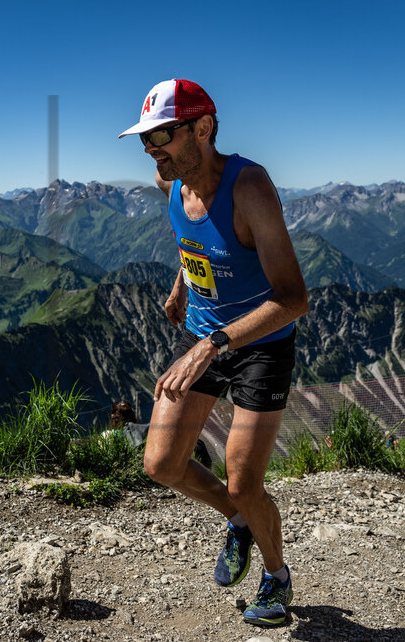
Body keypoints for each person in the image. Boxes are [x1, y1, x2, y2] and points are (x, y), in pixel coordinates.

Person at [118, 79, 309, 628]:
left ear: (202, 128)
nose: (153, 150)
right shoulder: (169, 180)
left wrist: (215, 343)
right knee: (161, 463)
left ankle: (276, 576)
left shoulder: (249, 187)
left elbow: (293, 298)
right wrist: (184, 284)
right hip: (205, 335)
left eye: (163, 136)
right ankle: (239, 519)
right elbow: (197, 241)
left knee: (245, 478)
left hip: (259, 344)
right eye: (146, 140)